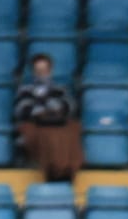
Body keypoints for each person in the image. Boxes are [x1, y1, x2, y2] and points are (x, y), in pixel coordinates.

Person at [13, 53, 82, 182]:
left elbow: (70, 106)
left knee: (71, 130)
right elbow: (21, 110)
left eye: (44, 70)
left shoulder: (60, 89)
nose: (41, 73)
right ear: (33, 71)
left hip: (56, 122)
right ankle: (53, 170)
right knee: (46, 135)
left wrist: (55, 109)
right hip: (35, 124)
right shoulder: (25, 90)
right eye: (38, 70)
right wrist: (41, 110)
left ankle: (67, 169)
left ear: (50, 70)